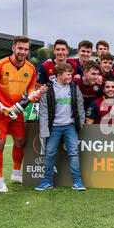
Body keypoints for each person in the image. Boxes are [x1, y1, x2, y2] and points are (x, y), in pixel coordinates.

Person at [0, 36, 49, 193]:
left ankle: (16, 173)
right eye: (20, 48)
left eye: (26, 49)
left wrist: (34, 94)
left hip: (17, 110)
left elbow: (30, 89)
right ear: (13, 48)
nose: (23, 52)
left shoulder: (31, 68)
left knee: (20, 141)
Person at [36, 63, 86, 191]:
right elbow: (43, 111)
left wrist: (81, 120)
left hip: (70, 126)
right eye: (68, 74)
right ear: (59, 75)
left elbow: (80, 104)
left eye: (71, 74)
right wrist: (44, 129)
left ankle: (77, 181)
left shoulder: (74, 87)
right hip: (54, 127)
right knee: (49, 153)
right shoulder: (48, 89)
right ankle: (47, 181)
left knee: (74, 152)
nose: (71, 76)